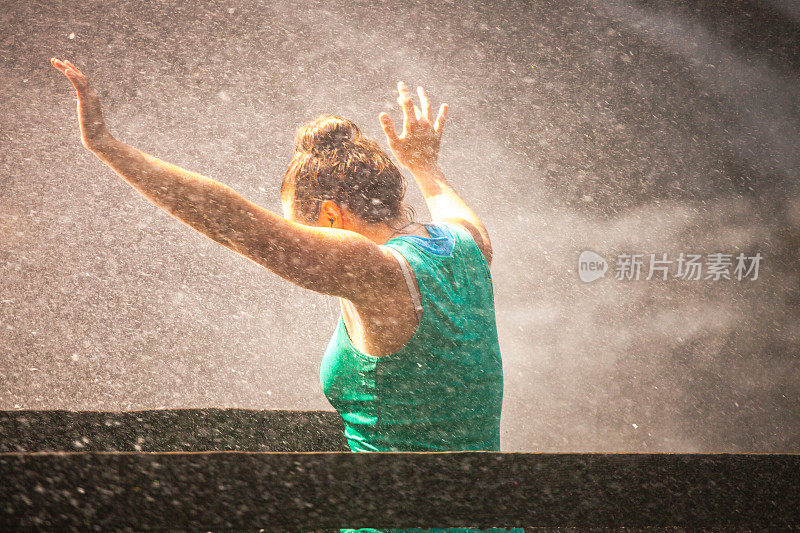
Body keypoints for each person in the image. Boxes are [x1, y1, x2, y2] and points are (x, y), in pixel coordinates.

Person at [51, 58, 520, 532]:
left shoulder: (372, 269)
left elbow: (235, 224)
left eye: (304, 228)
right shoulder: (466, 246)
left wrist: (108, 148)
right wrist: (424, 165)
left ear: (333, 217)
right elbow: (461, 217)